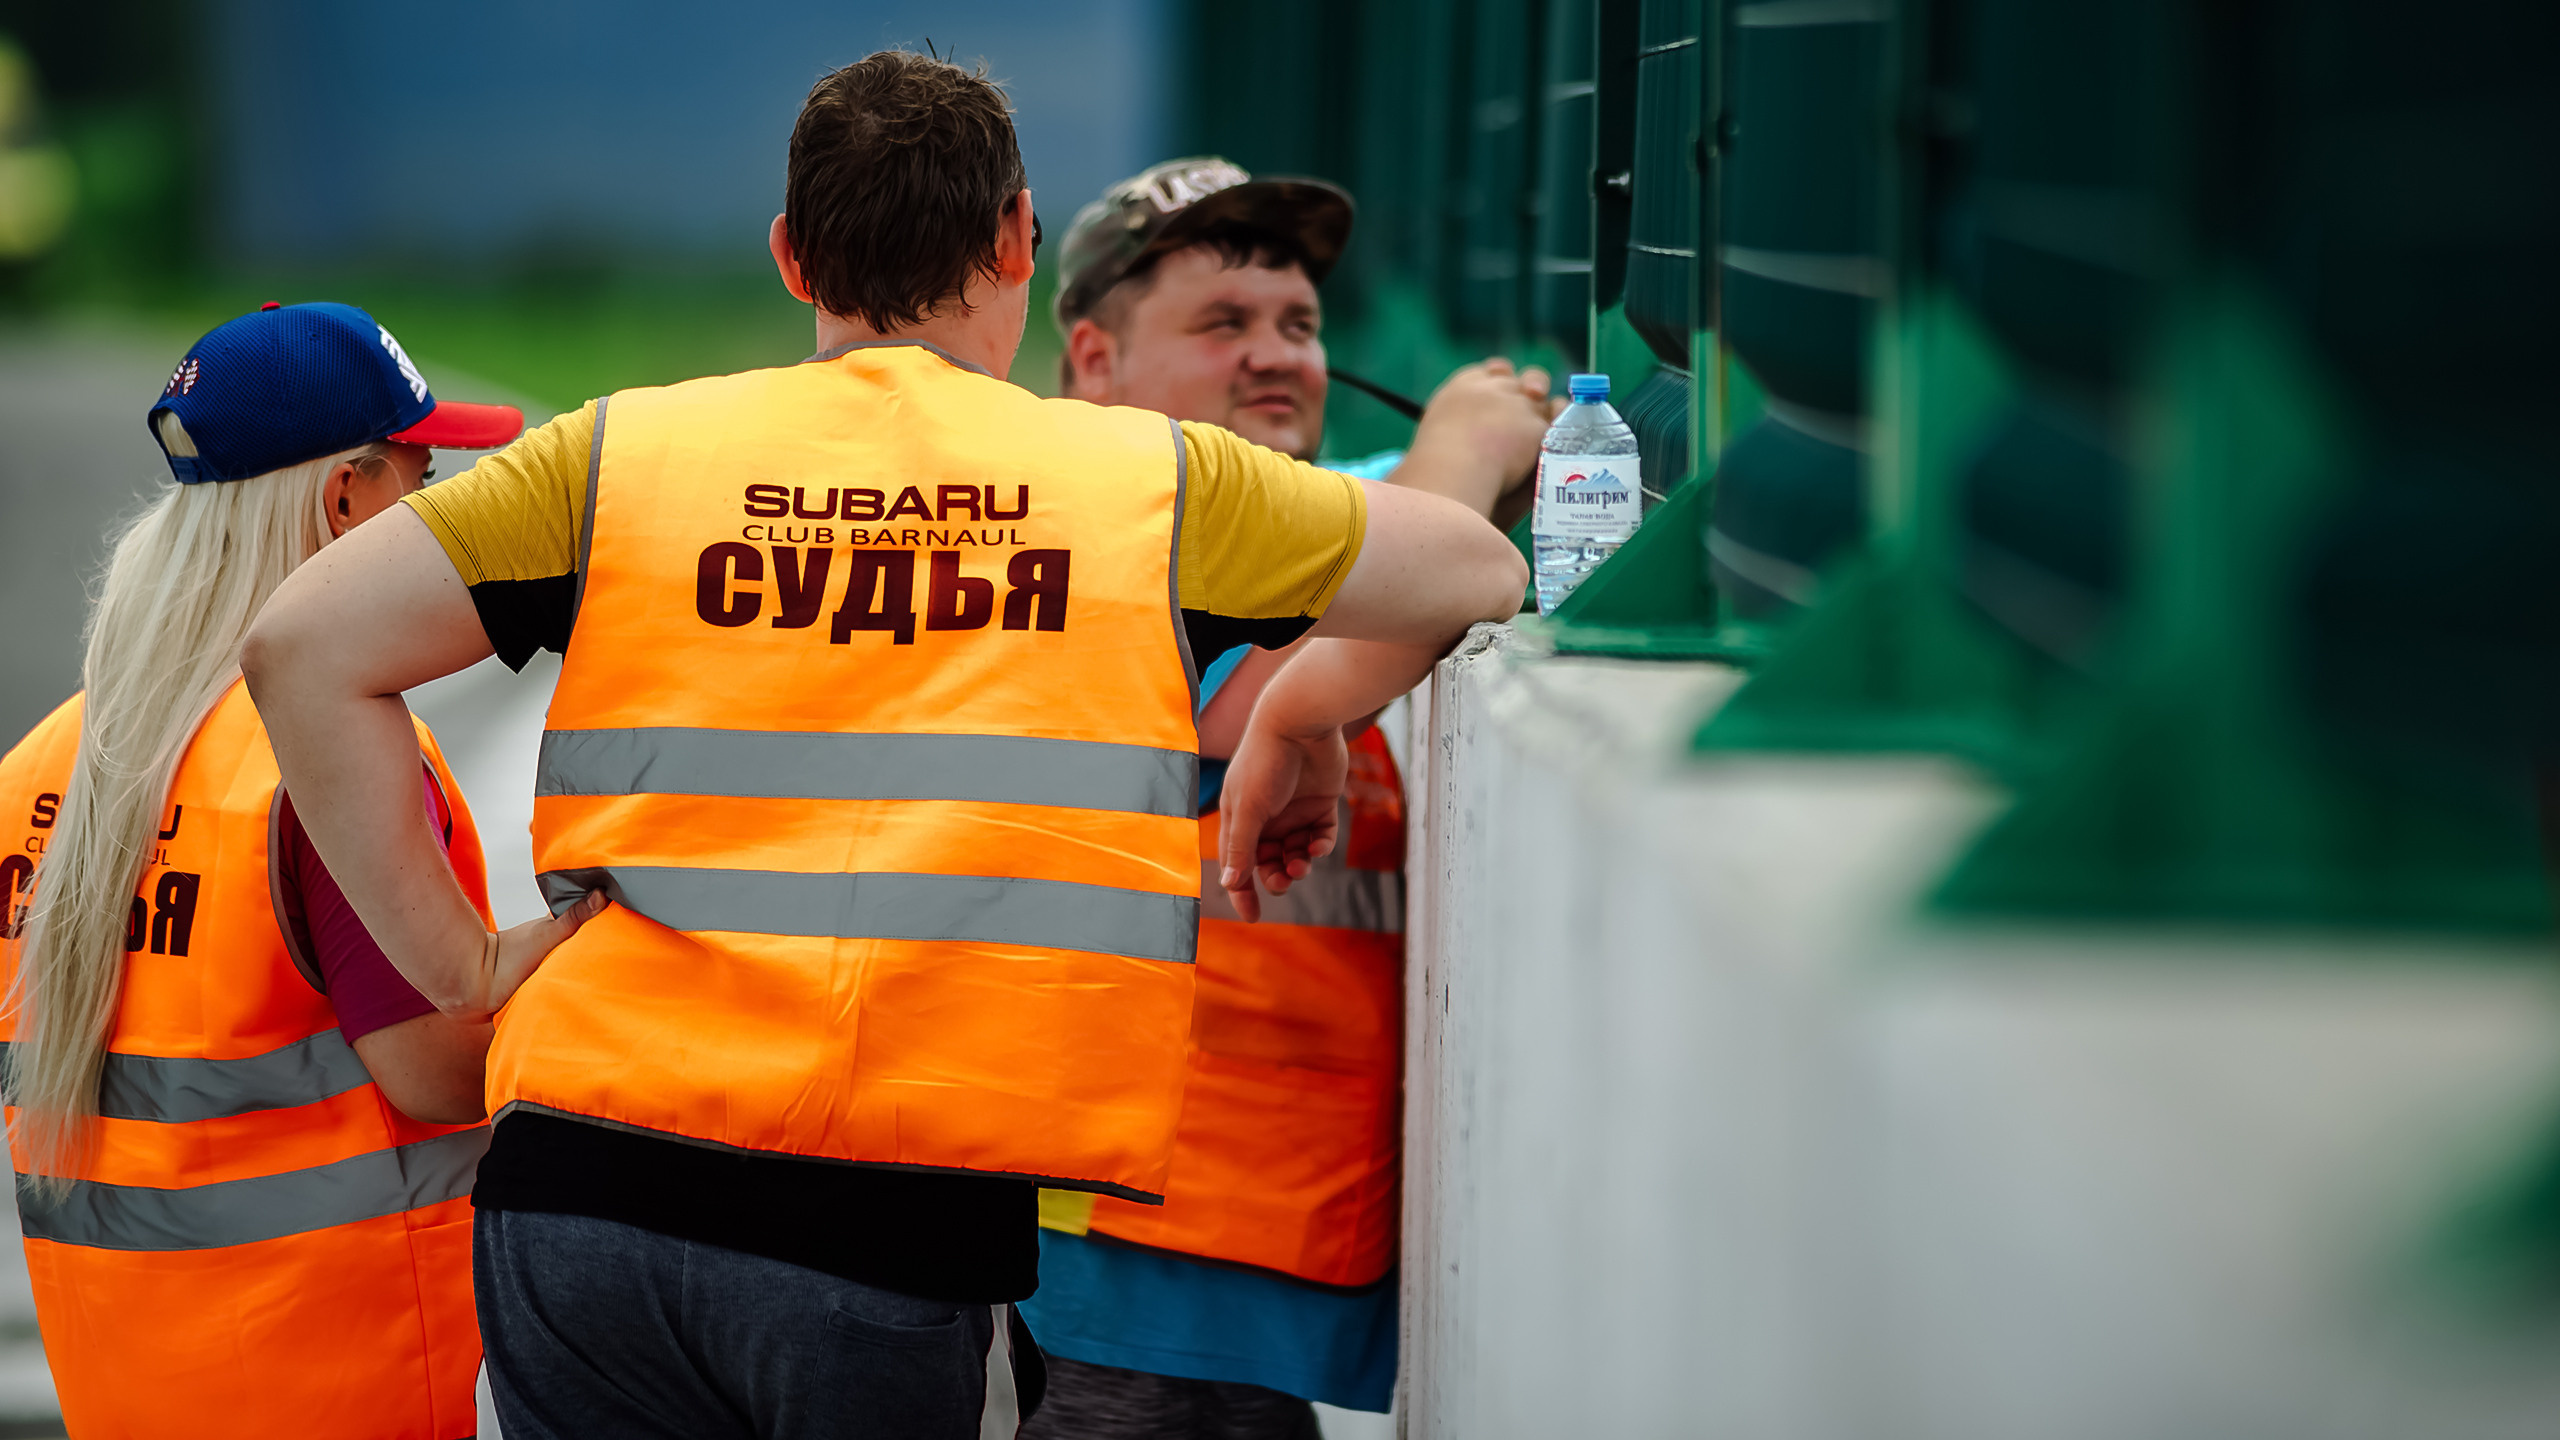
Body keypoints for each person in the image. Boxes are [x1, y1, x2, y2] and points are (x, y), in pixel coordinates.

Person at [239, 51, 1528, 1440]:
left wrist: (462, 967)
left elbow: (300, 649)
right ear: (1017, 240)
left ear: (793, 256)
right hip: (877, 1228)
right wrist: (1346, 641)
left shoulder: (623, 457)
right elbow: (1471, 570)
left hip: (575, 1193)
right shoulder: (1146, 483)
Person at [1026, 159, 1551, 1436]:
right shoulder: (1084, 526)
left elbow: (1364, 556)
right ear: (1093, 361)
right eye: (1223, 325)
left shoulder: (1313, 516)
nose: (1277, 356)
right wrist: (1460, 452)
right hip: (1140, 1237)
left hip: (1261, 1229)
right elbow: (1254, 693)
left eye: (1300, 325)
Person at [0, 301, 545, 1439]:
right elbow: (442, 1075)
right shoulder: (320, 764)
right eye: (423, 474)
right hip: (351, 1381)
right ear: (347, 499)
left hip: (124, 1391)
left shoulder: (45, 768)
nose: (441, 511)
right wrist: (613, 930)